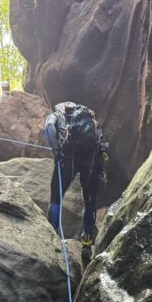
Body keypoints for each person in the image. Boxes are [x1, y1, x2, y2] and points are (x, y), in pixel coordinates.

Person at [44, 102, 108, 247]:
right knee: (90, 202)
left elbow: (49, 126)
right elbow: (99, 140)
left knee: (56, 199)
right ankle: (87, 242)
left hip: (68, 160)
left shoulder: (57, 115)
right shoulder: (89, 119)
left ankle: (51, 238)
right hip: (90, 161)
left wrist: (56, 150)